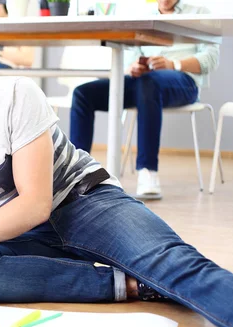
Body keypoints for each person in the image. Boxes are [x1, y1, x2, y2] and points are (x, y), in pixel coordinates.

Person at [0, 12, 233, 327]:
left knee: (179, 267)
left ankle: (145, 270)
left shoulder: (14, 95)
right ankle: (129, 285)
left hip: (85, 201)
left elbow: (35, 204)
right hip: (23, 234)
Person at [69, 0, 219, 199]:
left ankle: (148, 171)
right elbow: (130, 56)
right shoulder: (145, 16)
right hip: (144, 82)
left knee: (148, 84)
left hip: (183, 82)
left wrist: (172, 64)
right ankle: (76, 174)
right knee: (83, 93)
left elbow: (210, 60)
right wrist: (132, 67)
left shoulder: (201, 13)